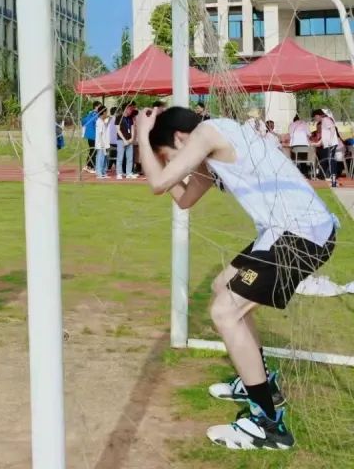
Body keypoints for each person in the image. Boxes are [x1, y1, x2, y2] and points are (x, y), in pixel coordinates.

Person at [137, 107, 337, 451]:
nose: (173, 164)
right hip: (287, 232)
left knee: (224, 312)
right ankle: (261, 383)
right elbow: (184, 199)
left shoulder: (208, 134)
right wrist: (166, 167)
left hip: (300, 234)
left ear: (180, 139)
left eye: (170, 156)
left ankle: (268, 424)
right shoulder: (214, 140)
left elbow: (158, 182)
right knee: (222, 288)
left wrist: (142, 134)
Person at [312, 108, 341, 187]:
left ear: (318, 115)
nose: (315, 119)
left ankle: (334, 181)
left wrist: (330, 140)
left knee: (331, 162)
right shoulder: (324, 121)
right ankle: (334, 181)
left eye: (315, 117)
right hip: (329, 144)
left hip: (331, 144)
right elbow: (325, 135)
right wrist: (318, 143)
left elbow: (332, 129)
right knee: (330, 161)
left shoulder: (326, 120)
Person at [116, 103, 138, 180]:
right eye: (130, 108)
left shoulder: (130, 118)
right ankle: (119, 173)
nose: (131, 110)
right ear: (125, 109)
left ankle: (129, 173)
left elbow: (132, 128)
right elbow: (118, 130)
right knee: (120, 157)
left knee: (130, 157)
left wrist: (132, 138)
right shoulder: (119, 117)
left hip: (129, 140)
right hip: (121, 140)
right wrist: (124, 140)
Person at [82, 101, 101, 173]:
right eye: (99, 106)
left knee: (92, 151)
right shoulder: (94, 114)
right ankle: (91, 167)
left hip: (90, 135)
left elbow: (83, 122)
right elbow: (96, 123)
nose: (100, 108)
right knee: (93, 151)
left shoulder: (90, 114)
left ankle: (88, 166)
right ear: (96, 107)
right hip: (93, 135)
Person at [94, 105, 111, 179]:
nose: (107, 114)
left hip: (105, 143)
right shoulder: (99, 121)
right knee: (100, 158)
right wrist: (102, 144)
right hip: (101, 144)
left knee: (104, 159)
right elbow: (100, 134)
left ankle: (103, 172)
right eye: (106, 112)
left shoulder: (102, 121)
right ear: (103, 112)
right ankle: (99, 173)